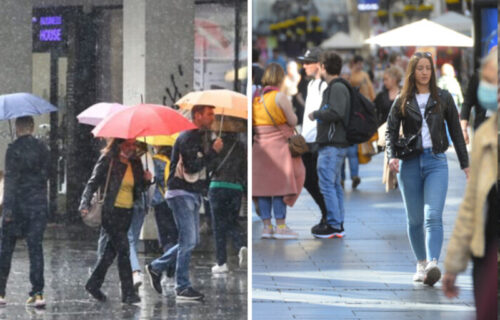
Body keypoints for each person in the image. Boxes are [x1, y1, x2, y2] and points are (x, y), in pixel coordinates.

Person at [386, 51, 469, 286]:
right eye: (420, 68)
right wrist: (392, 156)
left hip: (436, 162)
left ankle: (433, 263)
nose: (424, 72)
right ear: (413, 72)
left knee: (433, 216)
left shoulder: (443, 97)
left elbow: (456, 133)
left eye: (428, 68)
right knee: (414, 220)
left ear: (432, 72)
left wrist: (465, 164)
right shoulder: (403, 99)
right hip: (409, 162)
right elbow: (391, 130)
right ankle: (421, 263)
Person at [442, 47, 498, 320]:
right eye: (490, 82)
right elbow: (472, 204)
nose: (492, 90)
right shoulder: (485, 134)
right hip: (488, 250)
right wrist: (453, 264)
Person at [146, 105, 222, 301]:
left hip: (192, 193)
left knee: (191, 241)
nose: (213, 118)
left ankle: (156, 267)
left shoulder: (199, 137)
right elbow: (191, 166)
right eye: (209, 114)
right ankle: (182, 286)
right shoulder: (188, 136)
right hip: (181, 193)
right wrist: (212, 152)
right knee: (188, 241)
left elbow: (203, 167)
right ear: (197, 115)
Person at [80, 138, 152, 304]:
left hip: (127, 212)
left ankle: (93, 283)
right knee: (124, 249)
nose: (131, 148)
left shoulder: (135, 162)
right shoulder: (108, 160)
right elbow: (92, 183)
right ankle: (127, 292)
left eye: (133, 144)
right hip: (110, 211)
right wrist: (84, 203)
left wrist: (147, 180)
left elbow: (139, 188)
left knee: (110, 252)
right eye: (127, 144)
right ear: (118, 144)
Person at [0, 116, 50, 308]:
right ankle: (38, 293)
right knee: (35, 249)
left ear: (17, 127)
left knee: (6, 250)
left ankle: (1, 292)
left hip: (17, 207)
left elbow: (11, 181)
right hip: (37, 207)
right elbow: (47, 174)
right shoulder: (43, 148)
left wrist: (8, 210)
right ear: (32, 127)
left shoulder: (13, 150)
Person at [253, 63, 305, 240]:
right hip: (279, 147)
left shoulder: (256, 98)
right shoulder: (279, 97)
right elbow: (292, 120)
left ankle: (267, 227)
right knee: (280, 187)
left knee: (263, 189)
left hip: (259, 147)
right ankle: (281, 227)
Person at [308, 51, 350, 238]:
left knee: (326, 183)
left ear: (324, 67)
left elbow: (336, 112)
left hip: (332, 143)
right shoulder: (335, 87)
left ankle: (333, 224)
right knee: (333, 184)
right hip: (334, 143)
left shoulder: (336, 88)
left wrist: (316, 114)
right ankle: (337, 222)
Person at [297, 47, 329, 236]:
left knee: (320, 180)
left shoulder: (325, 86)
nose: (305, 66)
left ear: (320, 64)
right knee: (308, 180)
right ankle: (326, 213)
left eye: (309, 62)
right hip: (307, 140)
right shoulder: (310, 85)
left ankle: (329, 216)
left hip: (320, 140)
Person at [208, 132, 247, 273]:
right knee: (232, 222)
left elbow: (209, 166)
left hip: (217, 186)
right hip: (235, 187)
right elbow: (244, 170)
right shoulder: (241, 146)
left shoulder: (215, 143)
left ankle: (221, 263)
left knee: (218, 226)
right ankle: (241, 246)